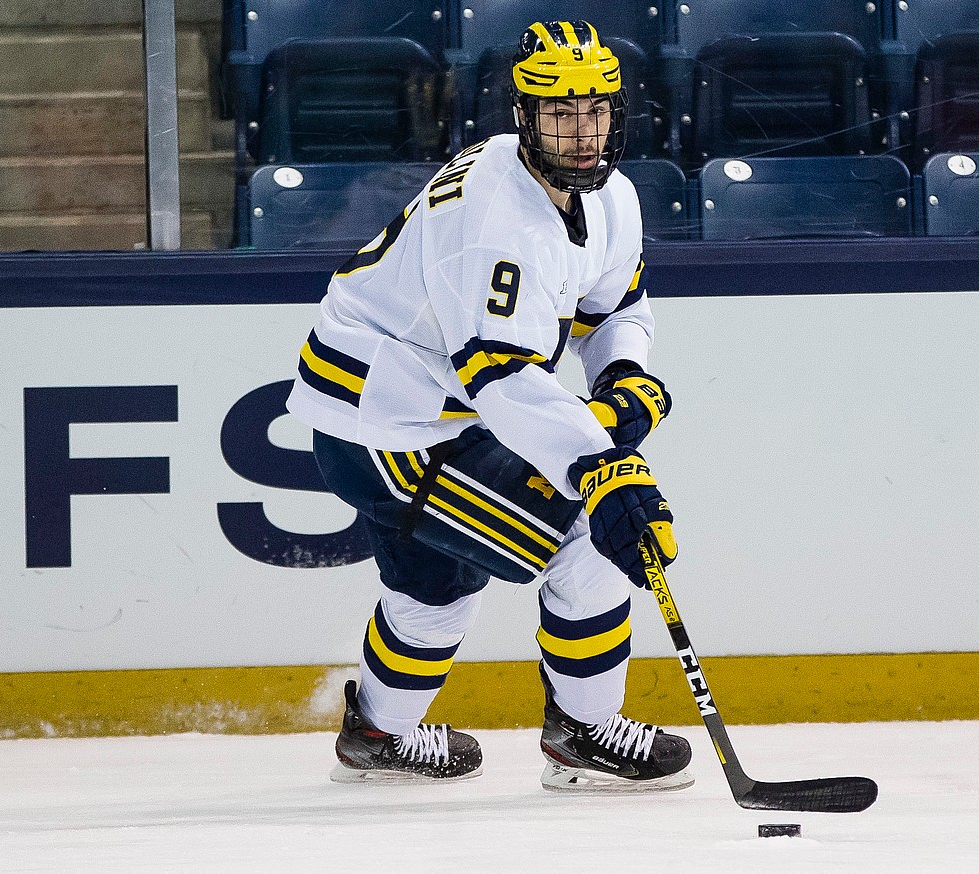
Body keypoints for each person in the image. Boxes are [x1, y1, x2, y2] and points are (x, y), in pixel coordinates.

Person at [286, 20, 690, 792]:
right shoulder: (500, 224)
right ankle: (584, 732)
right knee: (588, 537)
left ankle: (377, 735)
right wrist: (602, 468)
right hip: (395, 424)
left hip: (414, 408)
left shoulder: (613, 199)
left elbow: (616, 310)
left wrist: (623, 378)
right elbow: (499, 381)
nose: (581, 132)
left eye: (596, 110)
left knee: (435, 591)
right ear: (522, 116)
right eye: (559, 112)